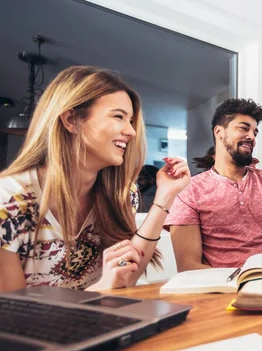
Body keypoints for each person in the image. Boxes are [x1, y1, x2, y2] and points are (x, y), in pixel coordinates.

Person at [0, 66, 190, 292]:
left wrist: (166, 197)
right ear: (71, 120)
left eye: (130, 121)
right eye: (119, 116)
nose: (131, 132)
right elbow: (12, 319)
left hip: (105, 322)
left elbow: (124, 279)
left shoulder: (122, 194)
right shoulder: (9, 203)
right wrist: (100, 289)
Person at [164, 98, 262, 270]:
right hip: (220, 288)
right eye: (244, 128)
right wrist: (239, 283)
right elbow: (188, 265)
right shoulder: (190, 190)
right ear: (219, 132)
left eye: (255, 132)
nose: (252, 137)